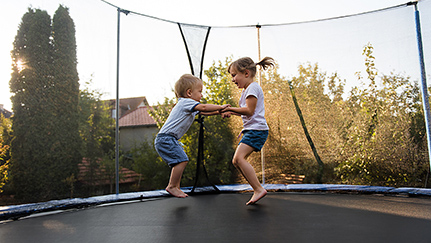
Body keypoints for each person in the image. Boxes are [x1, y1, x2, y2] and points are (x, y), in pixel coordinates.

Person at [155, 74, 230, 198]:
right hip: (166, 139)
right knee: (182, 160)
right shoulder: (185, 102)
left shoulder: (188, 105)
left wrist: (219, 111)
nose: (202, 95)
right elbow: (205, 107)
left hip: (167, 139)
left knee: (180, 160)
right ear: (189, 93)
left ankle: (175, 186)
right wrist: (221, 106)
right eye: (200, 91)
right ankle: (172, 186)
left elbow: (205, 111)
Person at [221, 57, 275, 205]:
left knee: (239, 159)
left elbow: (249, 111)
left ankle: (258, 189)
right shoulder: (247, 90)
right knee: (236, 160)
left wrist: (230, 108)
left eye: (234, 75)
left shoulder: (252, 87)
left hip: (257, 131)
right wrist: (232, 112)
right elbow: (247, 112)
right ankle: (257, 189)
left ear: (246, 73)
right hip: (252, 130)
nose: (232, 79)